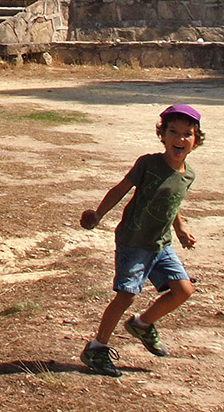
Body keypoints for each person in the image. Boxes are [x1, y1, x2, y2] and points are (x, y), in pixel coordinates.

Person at [76, 103, 203, 377]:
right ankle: (96, 348)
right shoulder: (148, 163)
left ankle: (142, 324)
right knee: (127, 294)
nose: (180, 139)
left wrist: (180, 229)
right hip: (133, 241)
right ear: (163, 135)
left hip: (160, 244)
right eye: (173, 132)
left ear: (196, 140)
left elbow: (172, 201)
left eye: (187, 134)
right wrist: (98, 214)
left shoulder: (188, 174)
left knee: (183, 290)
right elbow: (121, 188)